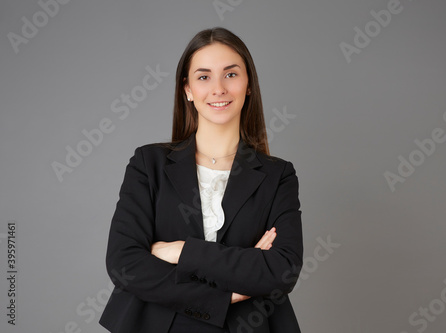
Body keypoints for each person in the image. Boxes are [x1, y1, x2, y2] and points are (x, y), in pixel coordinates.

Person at [99, 27, 303, 333]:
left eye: (231, 74)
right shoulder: (148, 163)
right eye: (204, 76)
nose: (218, 88)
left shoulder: (278, 175)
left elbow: (282, 271)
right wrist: (226, 294)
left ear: (248, 85)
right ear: (188, 89)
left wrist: (181, 251)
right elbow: (125, 264)